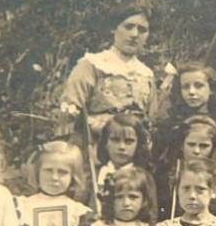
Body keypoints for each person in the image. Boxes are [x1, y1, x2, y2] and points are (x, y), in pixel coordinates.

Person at [59, 8, 157, 136]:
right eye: (128, 27)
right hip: (94, 145)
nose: (134, 34)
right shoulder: (93, 64)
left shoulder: (146, 74)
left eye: (142, 30)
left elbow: (152, 119)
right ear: (114, 29)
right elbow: (69, 112)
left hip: (133, 148)